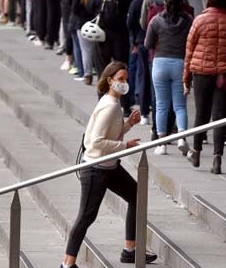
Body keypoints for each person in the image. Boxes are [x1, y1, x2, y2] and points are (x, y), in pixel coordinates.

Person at [61, 62, 157, 268]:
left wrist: (128, 124)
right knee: (86, 216)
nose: (125, 83)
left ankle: (129, 250)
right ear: (109, 80)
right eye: (121, 79)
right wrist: (125, 145)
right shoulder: (110, 105)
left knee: (136, 196)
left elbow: (108, 133)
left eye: (126, 79)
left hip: (108, 166)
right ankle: (67, 264)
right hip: (96, 169)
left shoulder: (112, 102)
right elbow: (95, 141)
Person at [184, 0, 226, 173]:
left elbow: (189, 50)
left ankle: (197, 152)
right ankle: (217, 158)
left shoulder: (199, 20)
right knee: (219, 116)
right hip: (223, 74)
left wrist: (186, 76)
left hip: (201, 72)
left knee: (201, 113)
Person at [145, 0, 193, 155]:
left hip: (160, 63)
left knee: (161, 105)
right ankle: (181, 138)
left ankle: (162, 144)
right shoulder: (188, 21)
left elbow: (148, 43)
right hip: (180, 63)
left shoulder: (156, 20)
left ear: (165, 5)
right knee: (180, 106)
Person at [87, 0, 134, 116]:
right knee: (122, 71)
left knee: (102, 71)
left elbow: (89, 7)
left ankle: (103, 104)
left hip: (102, 37)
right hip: (121, 37)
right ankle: (126, 106)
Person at [127, 0, 159, 125]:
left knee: (143, 75)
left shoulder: (136, 1)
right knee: (156, 78)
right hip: (160, 43)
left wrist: (135, 40)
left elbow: (131, 23)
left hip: (142, 42)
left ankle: (144, 112)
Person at [72, 0, 103, 86]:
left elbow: (74, 9)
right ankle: (100, 73)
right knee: (97, 50)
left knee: (85, 51)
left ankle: (87, 75)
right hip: (95, 25)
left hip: (82, 26)